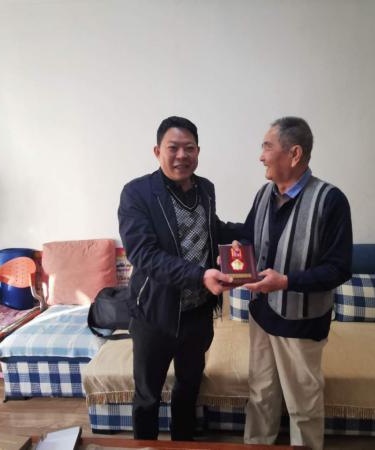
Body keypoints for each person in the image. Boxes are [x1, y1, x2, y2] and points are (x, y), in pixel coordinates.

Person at [238, 117, 353, 450]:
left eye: (267, 147)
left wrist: (286, 282)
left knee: (303, 406)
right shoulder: (264, 194)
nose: (261, 156)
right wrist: (233, 259)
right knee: (260, 396)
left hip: (302, 324)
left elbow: (339, 268)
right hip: (261, 316)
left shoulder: (331, 200)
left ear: (294, 154)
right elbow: (249, 238)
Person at [118, 116, 233, 441]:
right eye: (173, 148)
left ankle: (183, 444)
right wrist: (200, 275)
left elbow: (211, 229)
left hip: (198, 314)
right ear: (158, 151)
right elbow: (144, 254)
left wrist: (253, 231)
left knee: (188, 387)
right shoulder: (137, 193)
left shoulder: (205, 188)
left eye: (189, 148)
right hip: (155, 314)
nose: (182, 155)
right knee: (147, 395)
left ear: (198, 151)